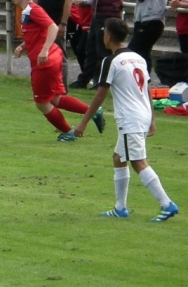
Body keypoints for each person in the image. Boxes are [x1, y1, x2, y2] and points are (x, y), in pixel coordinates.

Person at [74, 18, 179, 222]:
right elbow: (147, 89)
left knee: (138, 161)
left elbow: (100, 94)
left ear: (108, 36)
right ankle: (120, 208)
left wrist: (83, 122)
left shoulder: (111, 61)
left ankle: (167, 204)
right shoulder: (138, 58)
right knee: (119, 157)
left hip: (130, 118)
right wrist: (152, 119)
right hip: (142, 114)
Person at [12, 0, 102, 142]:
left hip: (45, 62)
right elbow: (36, 33)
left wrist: (44, 50)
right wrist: (23, 46)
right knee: (55, 98)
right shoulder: (27, 12)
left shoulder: (33, 10)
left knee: (42, 103)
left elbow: (52, 27)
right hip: (51, 58)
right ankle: (93, 111)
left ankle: (68, 132)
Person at [64, 0, 92, 82]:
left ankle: (87, 74)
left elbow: (88, 0)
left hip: (81, 21)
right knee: (76, 48)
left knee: (80, 49)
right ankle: (84, 73)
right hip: (71, 19)